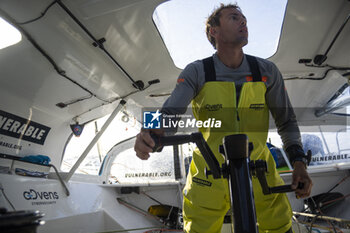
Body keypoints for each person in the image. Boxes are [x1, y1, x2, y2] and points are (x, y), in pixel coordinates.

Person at [134, 3, 313, 233]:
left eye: (244, 19)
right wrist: (147, 131)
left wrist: (299, 162)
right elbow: (168, 113)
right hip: (207, 176)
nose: (243, 22)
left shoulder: (267, 71)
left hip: (261, 171)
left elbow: (287, 121)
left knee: (280, 226)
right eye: (234, 17)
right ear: (213, 31)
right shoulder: (196, 72)